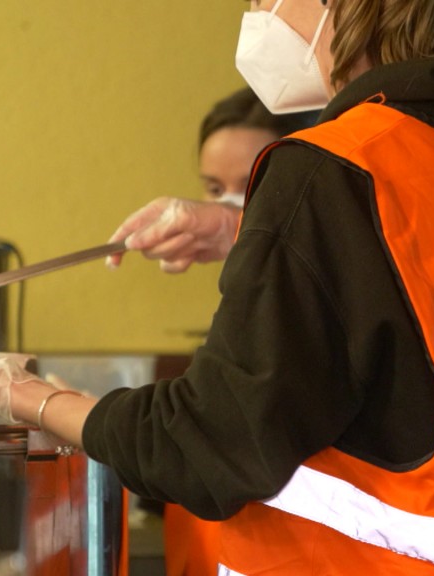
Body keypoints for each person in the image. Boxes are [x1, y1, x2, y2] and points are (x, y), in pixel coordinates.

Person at [0, 0, 434, 573]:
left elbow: (204, 447)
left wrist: (13, 393)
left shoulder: (327, 170)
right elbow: (403, 302)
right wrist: (242, 230)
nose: (253, 13)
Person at [153, 86, 317, 576]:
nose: (225, 207)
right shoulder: (239, 296)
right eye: (212, 187)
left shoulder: (307, 306)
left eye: (249, 186)